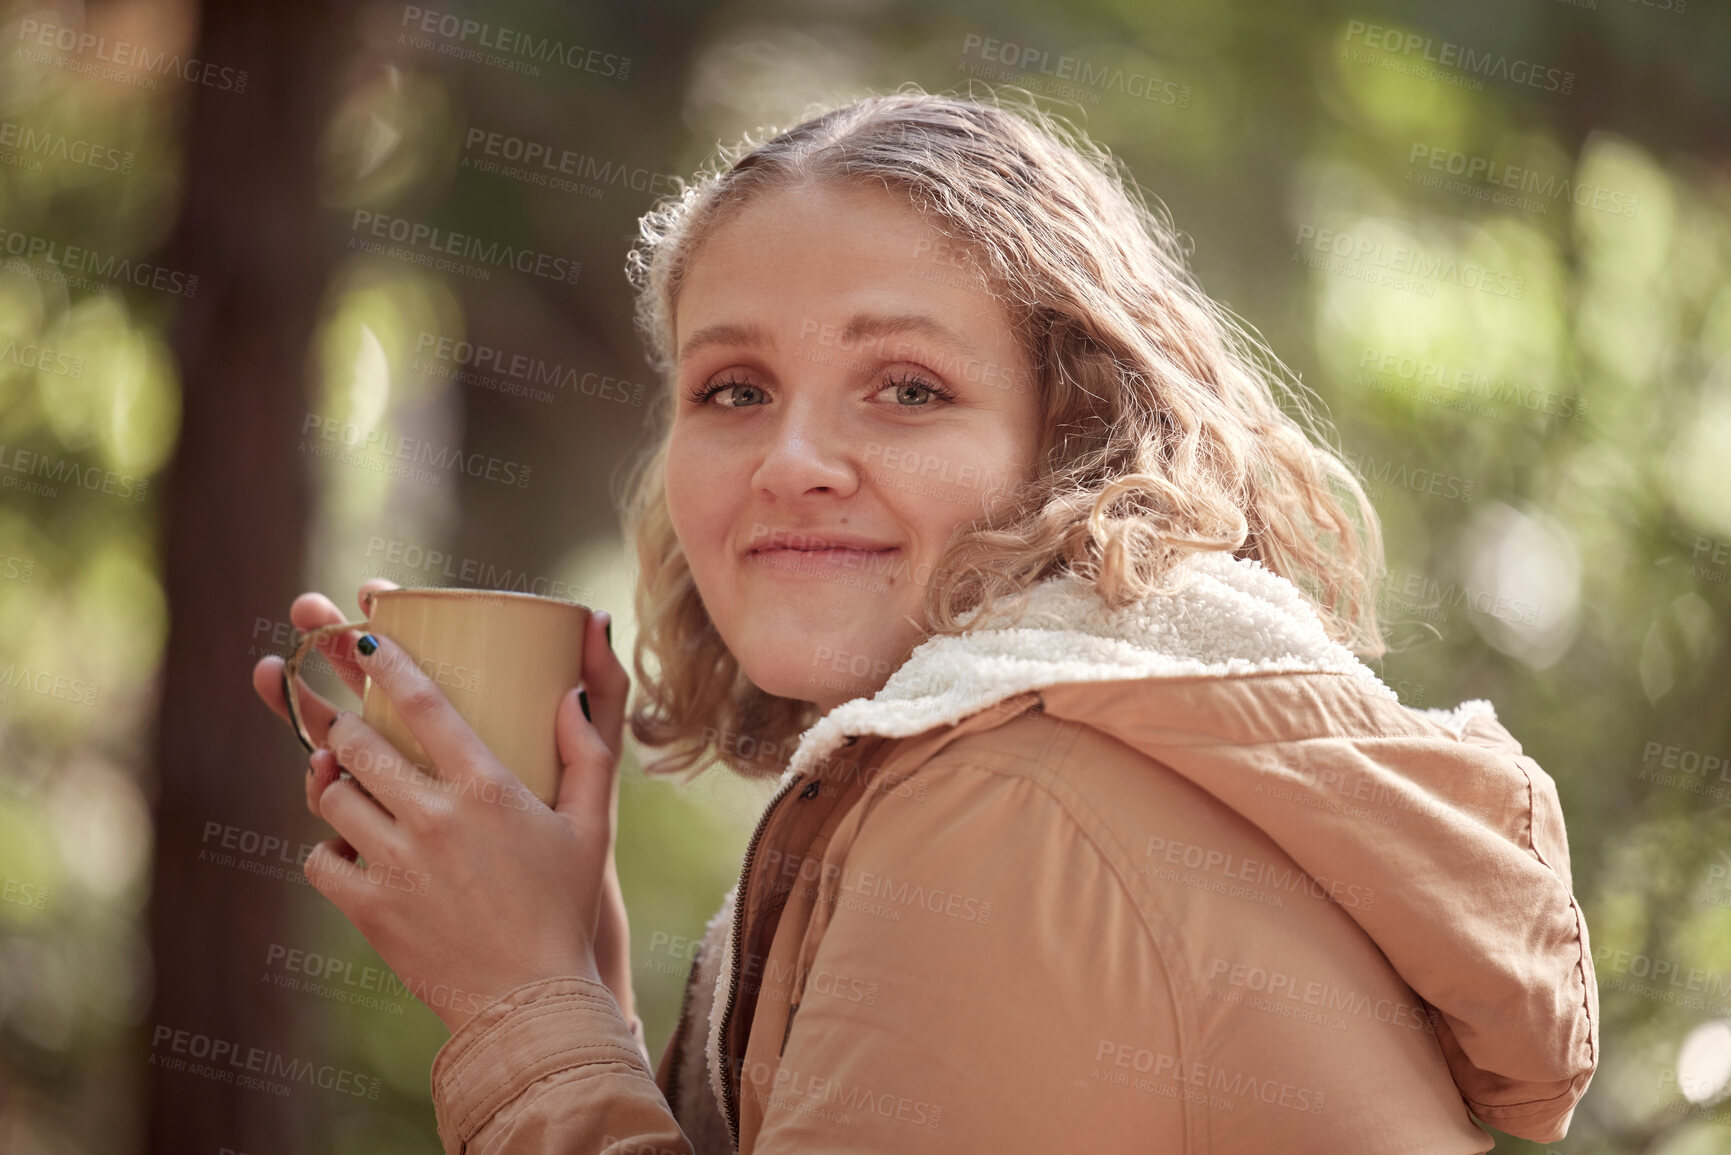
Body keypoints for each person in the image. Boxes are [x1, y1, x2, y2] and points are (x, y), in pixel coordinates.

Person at [252, 90, 1598, 1153]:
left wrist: (517, 1010)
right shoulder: (1007, 763)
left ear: (1077, 438)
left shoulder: (1014, 812)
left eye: (904, 388)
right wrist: (578, 978)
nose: (793, 459)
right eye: (732, 390)